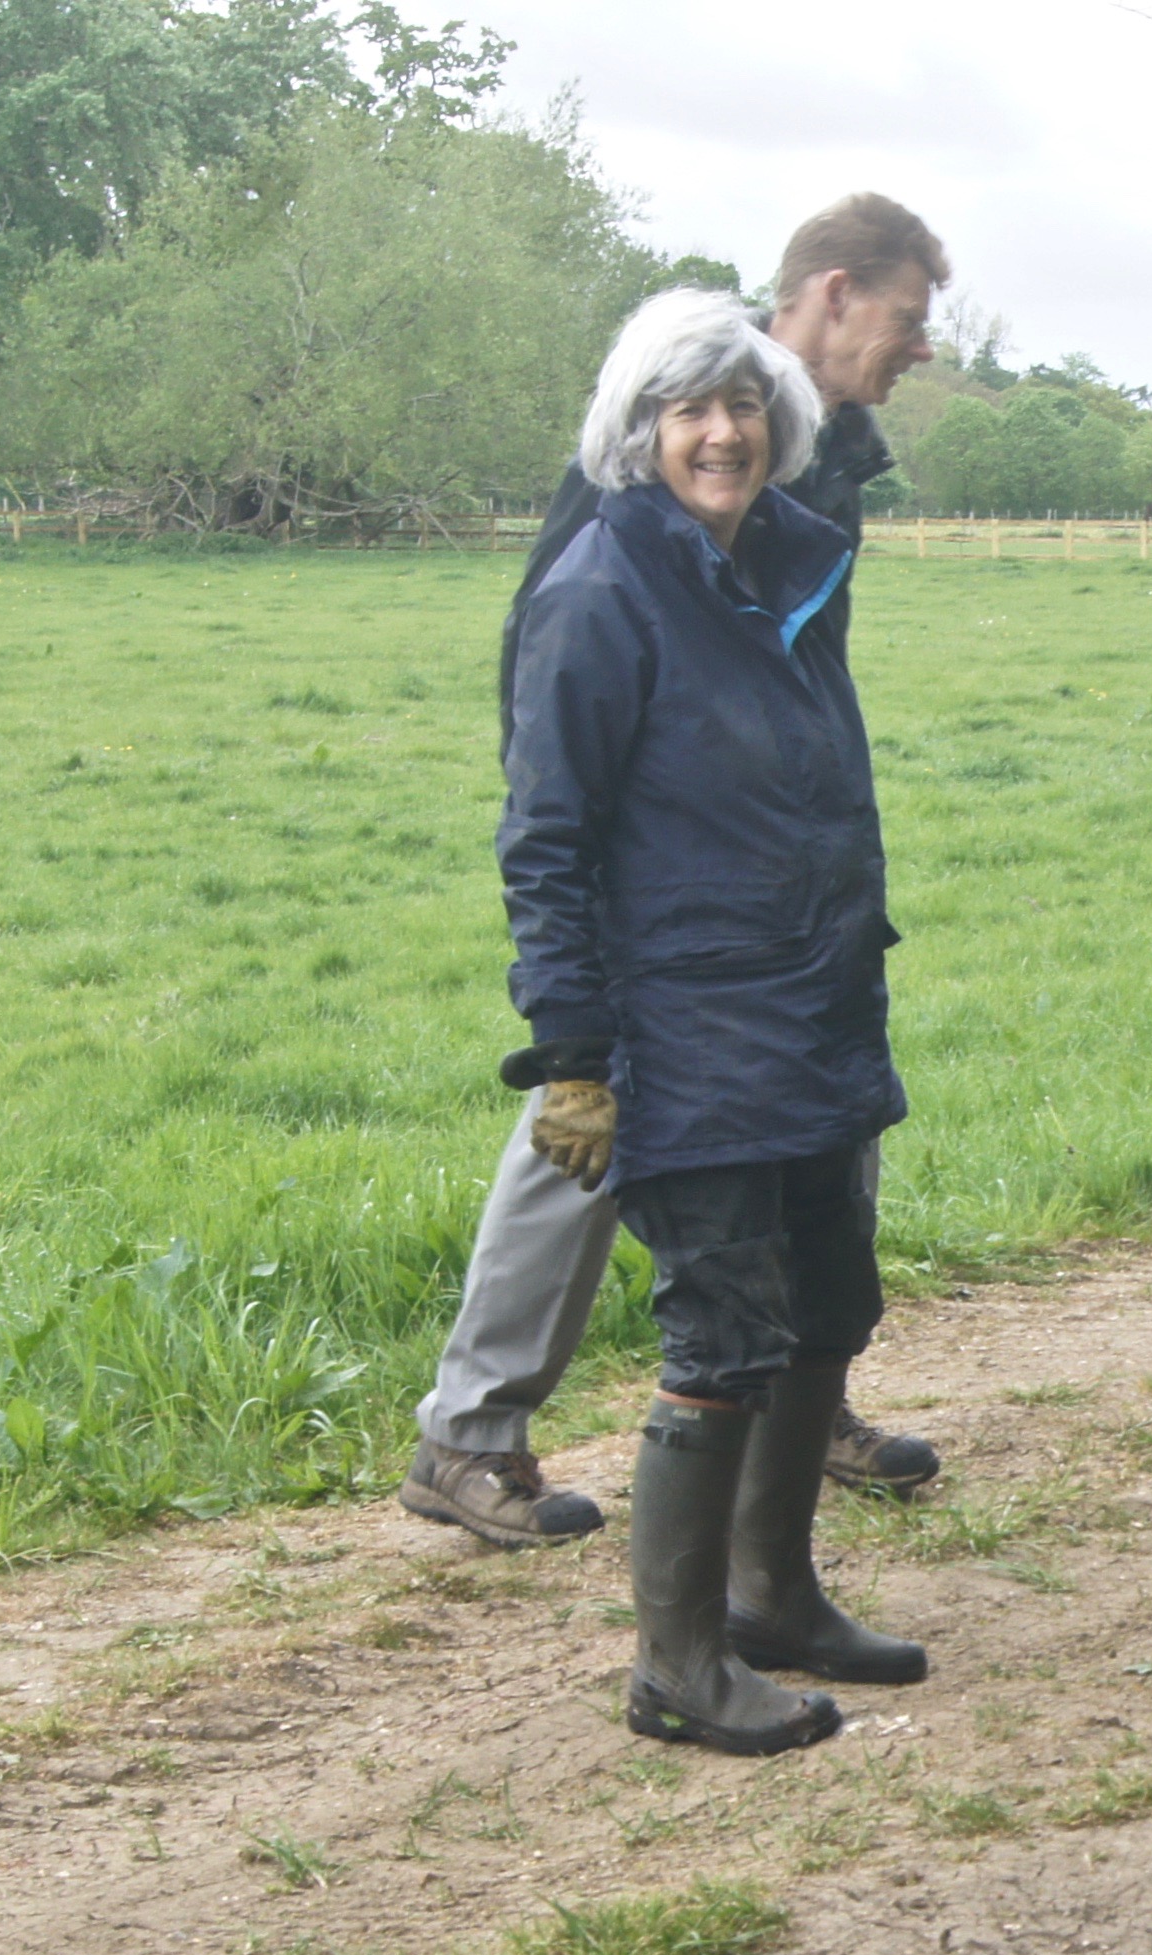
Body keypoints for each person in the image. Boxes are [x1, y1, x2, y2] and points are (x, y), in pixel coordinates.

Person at [402, 195, 950, 1548]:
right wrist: (585, 874)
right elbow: (563, 656)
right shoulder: (661, 412)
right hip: (646, 853)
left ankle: (800, 1395)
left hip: (776, 876)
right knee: (590, 1110)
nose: (921, 347)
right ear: (835, 292)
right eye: (906, 316)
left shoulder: (825, 454)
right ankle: (471, 1430)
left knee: (813, 1129)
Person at [497, 288, 930, 1754]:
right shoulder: (601, 591)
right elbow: (547, 840)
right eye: (688, 410)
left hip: (817, 1003)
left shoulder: (794, 561)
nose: (722, 433)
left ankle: (774, 1597)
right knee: (726, 1327)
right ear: (641, 432)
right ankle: (677, 1664)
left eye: (743, 405)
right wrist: (572, 1055)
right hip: (687, 1024)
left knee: (828, 1307)